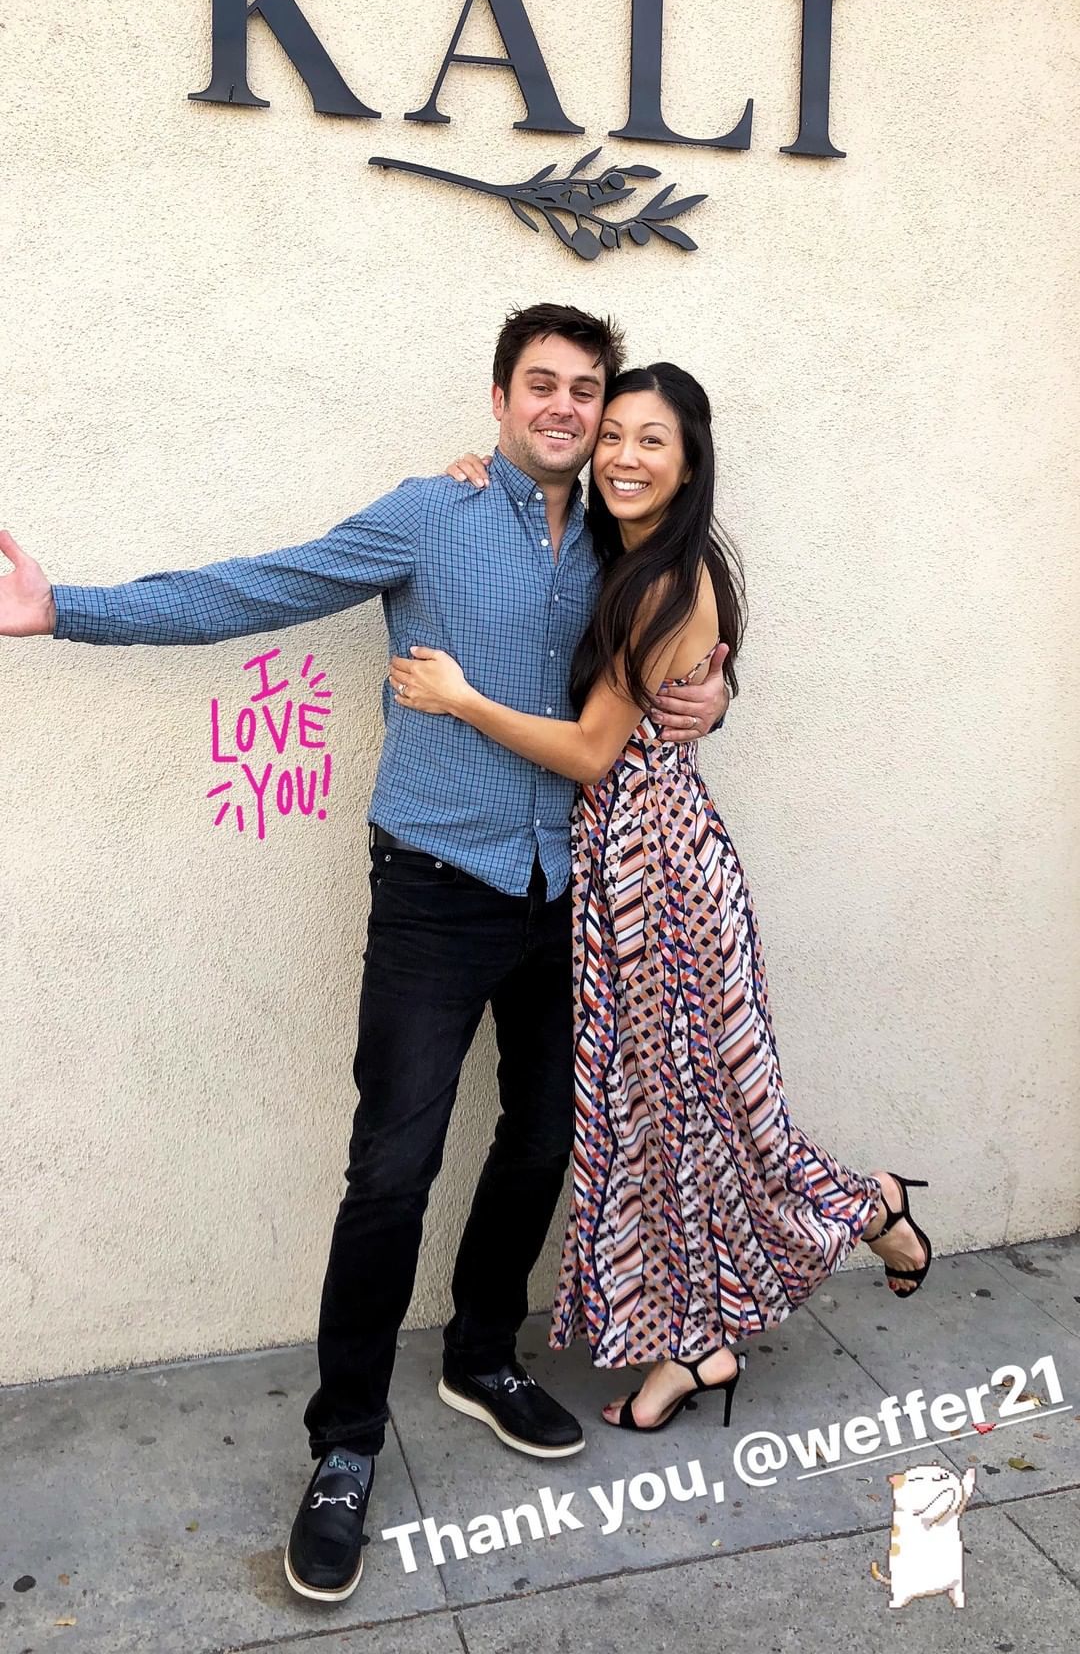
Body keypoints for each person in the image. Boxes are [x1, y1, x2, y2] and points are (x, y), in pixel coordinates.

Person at [0, 306, 730, 1603]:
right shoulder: (430, 513)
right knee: (391, 1167)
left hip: (570, 892)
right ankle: (344, 1447)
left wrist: (720, 692)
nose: (567, 409)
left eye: (587, 391)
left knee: (545, 1138)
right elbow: (263, 584)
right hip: (437, 888)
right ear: (500, 400)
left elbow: (682, 641)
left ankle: (483, 1354)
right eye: (543, 386)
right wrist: (66, 610)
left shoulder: (624, 534)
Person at [393, 361, 933, 1436]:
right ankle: (700, 1341)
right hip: (625, 869)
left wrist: (458, 698)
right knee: (660, 1117)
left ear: (689, 467)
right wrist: (479, 481)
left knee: (705, 1114)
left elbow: (594, 751)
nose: (624, 457)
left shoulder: (662, 584)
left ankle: (865, 1208)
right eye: (614, 436)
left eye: (653, 442)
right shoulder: (629, 559)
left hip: (662, 880)